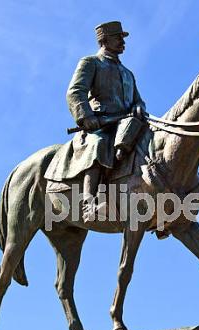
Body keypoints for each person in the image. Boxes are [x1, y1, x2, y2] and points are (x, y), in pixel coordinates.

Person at [66, 21, 146, 222]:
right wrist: (85, 116)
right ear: (104, 40)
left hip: (127, 124)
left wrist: (139, 107)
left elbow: (137, 100)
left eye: (122, 37)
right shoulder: (91, 62)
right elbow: (75, 91)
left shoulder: (128, 74)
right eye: (118, 37)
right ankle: (88, 203)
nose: (122, 41)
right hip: (101, 124)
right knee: (99, 144)